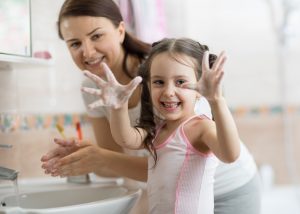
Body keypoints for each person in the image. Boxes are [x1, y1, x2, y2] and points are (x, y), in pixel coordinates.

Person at [41, 0, 261, 213]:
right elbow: (116, 155)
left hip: (229, 190)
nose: (87, 52)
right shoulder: (95, 88)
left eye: (96, 36)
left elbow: (206, 154)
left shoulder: (167, 70)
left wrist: (102, 157)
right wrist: (86, 156)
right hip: (170, 196)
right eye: (75, 43)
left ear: (120, 31)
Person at [81, 38, 241, 213]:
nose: (168, 91)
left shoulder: (201, 128)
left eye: (180, 82)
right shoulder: (157, 128)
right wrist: (119, 108)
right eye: (159, 82)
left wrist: (216, 101)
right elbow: (125, 139)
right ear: (148, 87)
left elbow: (230, 155)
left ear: (199, 89)